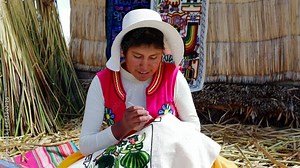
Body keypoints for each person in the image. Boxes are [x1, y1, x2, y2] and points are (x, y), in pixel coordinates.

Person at [59, 8, 237, 168]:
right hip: (125, 157)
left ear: (162, 53)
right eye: (137, 56)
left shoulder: (172, 77)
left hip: (169, 156)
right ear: (123, 52)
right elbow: (86, 144)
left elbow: (194, 126)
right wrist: (121, 126)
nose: (145, 66)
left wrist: (163, 127)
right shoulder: (103, 82)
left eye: (154, 57)